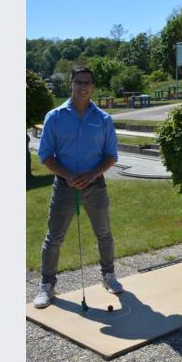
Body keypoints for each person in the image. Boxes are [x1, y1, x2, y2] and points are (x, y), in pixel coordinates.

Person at [33, 66, 124, 309]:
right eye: (78, 82)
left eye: (87, 83)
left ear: (93, 87)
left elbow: (111, 155)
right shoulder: (55, 117)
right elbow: (45, 154)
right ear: (70, 84)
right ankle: (47, 285)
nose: (83, 87)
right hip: (64, 186)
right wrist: (68, 175)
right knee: (54, 238)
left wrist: (92, 175)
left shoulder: (104, 119)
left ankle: (108, 276)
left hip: (96, 186)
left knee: (104, 234)